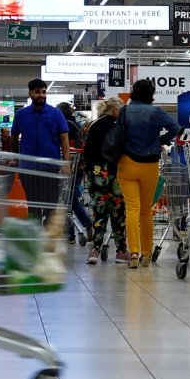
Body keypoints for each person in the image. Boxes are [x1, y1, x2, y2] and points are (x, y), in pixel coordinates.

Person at [116, 79, 181, 269]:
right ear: (151, 93)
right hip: (150, 164)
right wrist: (161, 140)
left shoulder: (124, 111)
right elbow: (175, 128)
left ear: (134, 92)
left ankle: (133, 252)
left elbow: (118, 134)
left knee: (132, 209)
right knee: (146, 210)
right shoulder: (156, 112)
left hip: (127, 163)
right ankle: (146, 254)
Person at [12, 79, 71, 220]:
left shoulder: (56, 113)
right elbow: (13, 137)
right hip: (28, 168)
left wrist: (66, 163)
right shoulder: (21, 114)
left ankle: (48, 241)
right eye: (37, 92)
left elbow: (64, 140)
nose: (41, 95)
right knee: (34, 208)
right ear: (30, 93)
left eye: (43, 92)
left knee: (51, 207)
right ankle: (37, 240)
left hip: (50, 168)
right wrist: (16, 158)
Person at [82, 98, 127, 265]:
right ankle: (121, 252)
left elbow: (87, 152)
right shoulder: (120, 125)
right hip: (116, 174)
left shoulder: (94, 124)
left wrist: (88, 171)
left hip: (97, 175)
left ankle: (95, 250)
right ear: (116, 111)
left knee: (99, 212)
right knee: (118, 213)